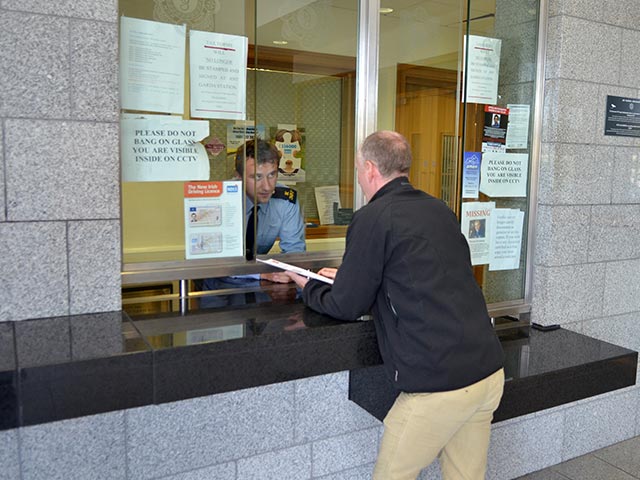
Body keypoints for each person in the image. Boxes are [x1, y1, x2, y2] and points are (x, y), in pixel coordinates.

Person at [286, 131, 504, 480]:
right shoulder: (438, 208)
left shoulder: (373, 217)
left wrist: (309, 286)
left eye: (358, 169)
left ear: (370, 168)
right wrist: (352, 274)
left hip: (438, 386)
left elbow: (345, 304)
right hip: (487, 374)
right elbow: (422, 271)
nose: (358, 177)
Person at [201, 139, 305, 307]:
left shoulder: (285, 200)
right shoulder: (220, 200)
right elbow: (216, 261)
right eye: (256, 177)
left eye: (272, 175)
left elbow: (295, 253)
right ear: (238, 177)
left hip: (262, 291)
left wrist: (284, 271)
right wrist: (261, 273)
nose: (266, 186)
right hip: (218, 289)